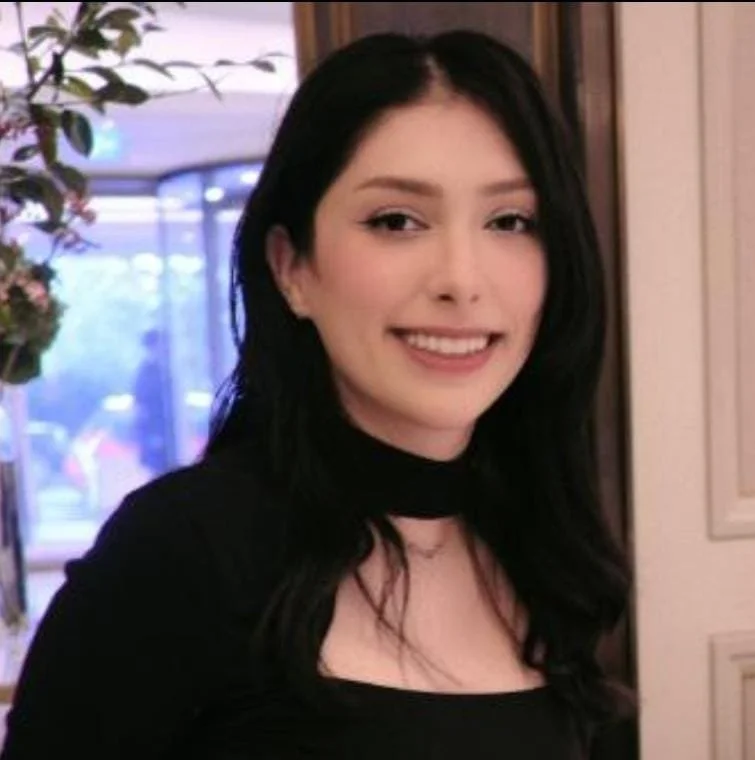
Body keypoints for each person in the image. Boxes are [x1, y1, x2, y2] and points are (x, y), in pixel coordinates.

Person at [0, 30, 632, 759]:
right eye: (396, 221)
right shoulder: (184, 552)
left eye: (510, 221)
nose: (462, 278)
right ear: (291, 266)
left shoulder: (546, 545)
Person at [132, 328, 172, 476]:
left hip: (164, 433)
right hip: (155, 433)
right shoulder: (146, 374)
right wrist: (153, 434)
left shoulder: (166, 369)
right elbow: (143, 406)